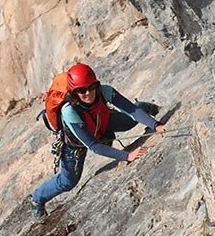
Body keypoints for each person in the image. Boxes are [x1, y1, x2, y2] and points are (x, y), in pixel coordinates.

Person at [28, 63, 164, 217]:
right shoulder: (69, 111)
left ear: (96, 85)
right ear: (74, 91)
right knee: (68, 182)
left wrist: (156, 125)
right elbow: (94, 146)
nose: (88, 93)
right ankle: (36, 199)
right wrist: (127, 156)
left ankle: (144, 107)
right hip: (76, 145)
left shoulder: (104, 91)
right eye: (82, 90)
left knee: (129, 121)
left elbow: (131, 110)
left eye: (91, 87)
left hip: (101, 123)